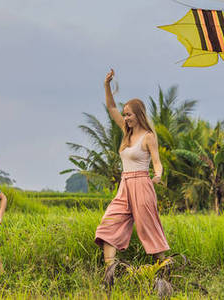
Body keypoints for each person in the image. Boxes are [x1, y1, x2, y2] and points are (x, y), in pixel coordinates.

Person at [95, 68, 171, 287]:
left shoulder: (148, 136)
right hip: (124, 185)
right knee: (108, 225)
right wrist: (107, 85)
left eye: (129, 114)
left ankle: (164, 272)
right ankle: (109, 275)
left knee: (149, 230)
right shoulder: (125, 132)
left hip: (142, 184)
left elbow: (157, 161)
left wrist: (157, 175)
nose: (126, 117)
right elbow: (111, 107)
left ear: (139, 115)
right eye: (125, 114)